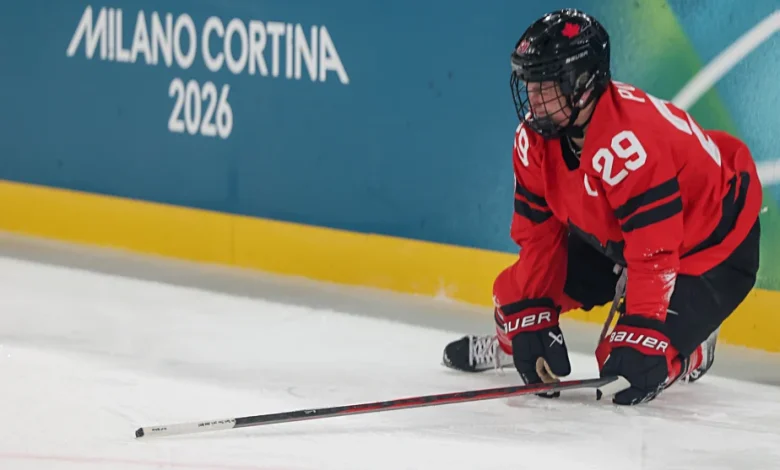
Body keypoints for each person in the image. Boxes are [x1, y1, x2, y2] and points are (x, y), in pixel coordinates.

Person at [441, 8, 762, 405]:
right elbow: (539, 238)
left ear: (583, 83)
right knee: (515, 302)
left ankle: (689, 349)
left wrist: (644, 330)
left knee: (628, 366)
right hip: (619, 237)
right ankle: (507, 344)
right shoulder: (536, 140)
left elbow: (655, 254)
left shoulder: (631, 144)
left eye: (546, 84)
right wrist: (530, 313)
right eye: (531, 83)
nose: (534, 98)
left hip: (711, 244)